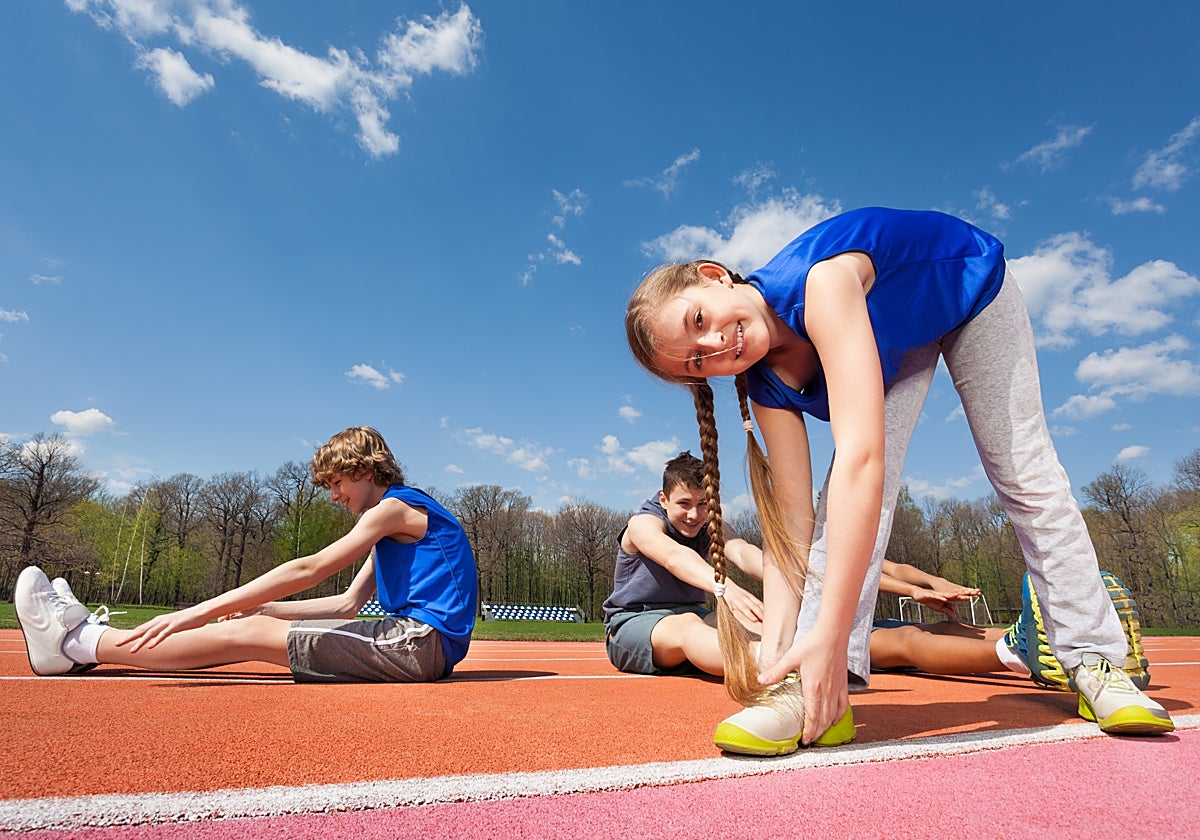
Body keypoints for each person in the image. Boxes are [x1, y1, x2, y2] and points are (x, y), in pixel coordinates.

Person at [625, 207, 1173, 754]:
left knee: (1024, 473)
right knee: (840, 504)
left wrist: (829, 633)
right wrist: (778, 653)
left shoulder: (822, 282)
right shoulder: (766, 385)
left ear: (715, 276)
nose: (716, 345)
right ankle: (815, 690)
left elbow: (863, 461)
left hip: (965, 283)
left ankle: (1096, 658)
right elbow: (793, 521)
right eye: (697, 362)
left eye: (700, 320)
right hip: (891, 334)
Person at [14, 426, 478, 684]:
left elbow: (312, 569)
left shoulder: (394, 509)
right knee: (249, 629)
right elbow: (346, 604)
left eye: (337, 483)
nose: (334, 495)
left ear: (365, 470)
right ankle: (84, 646)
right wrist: (267, 609)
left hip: (418, 643)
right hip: (417, 644)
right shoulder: (393, 528)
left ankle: (78, 644)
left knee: (247, 633)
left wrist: (202, 609)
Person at [603, 453, 1045, 686]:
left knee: (782, 626)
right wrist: (725, 589)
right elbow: (674, 557)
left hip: (702, 615)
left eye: (704, 505)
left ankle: (1043, 643)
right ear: (663, 499)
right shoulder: (643, 524)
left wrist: (906, 587)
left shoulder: (713, 527)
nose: (695, 515)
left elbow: (758, 560)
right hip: (637, 624)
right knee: (687, 627)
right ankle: (780, 670)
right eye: (685, 504)